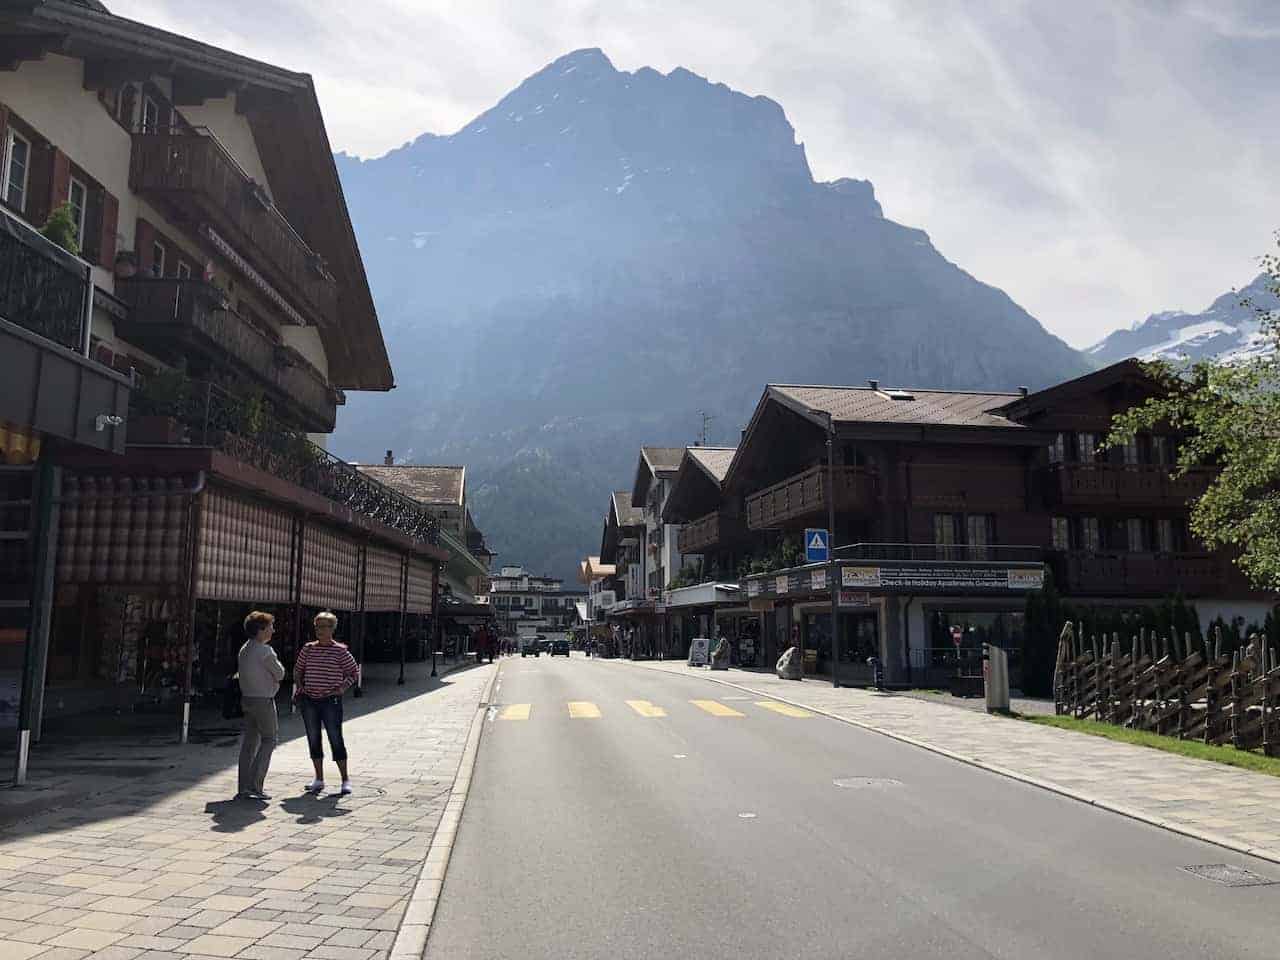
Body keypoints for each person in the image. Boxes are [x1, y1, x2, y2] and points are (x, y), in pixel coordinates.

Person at [294, 611, 360, 796]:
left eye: (324, 626)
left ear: (332, 629)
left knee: (335, 738)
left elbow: (353, 672)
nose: (320, 630)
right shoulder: (308, 649)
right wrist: (300, 687)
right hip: (310, 701)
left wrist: (342, 688)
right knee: (313, 738)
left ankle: (345, 779)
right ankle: (319, 778)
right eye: (317, 626)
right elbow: (298, 670)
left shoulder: (340, 651)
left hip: (331, 701)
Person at [236, 610, 285, 801]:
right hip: (263, 700)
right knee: (269, 739)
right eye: (270, 626)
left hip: (247, 698)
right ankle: (255, 785)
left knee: (249, 743)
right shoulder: (265, 651)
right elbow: (280, 673)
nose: (273, 630)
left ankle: (243, 786)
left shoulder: (245, 648)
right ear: (261, 630)